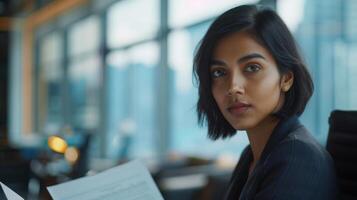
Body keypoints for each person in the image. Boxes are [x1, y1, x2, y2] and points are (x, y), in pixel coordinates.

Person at [193, 4, 338, 200]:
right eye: (219, 72)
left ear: (286, 78)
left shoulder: (297, 158)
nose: (233, 87)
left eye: (252, 68)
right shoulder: (252, 155)